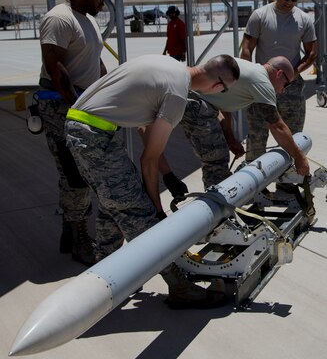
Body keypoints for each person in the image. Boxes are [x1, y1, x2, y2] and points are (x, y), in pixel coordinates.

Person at [65, 53, 240, 309]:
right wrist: (156, 210)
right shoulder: (178, 94)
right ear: (217, 86)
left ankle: (110, 276)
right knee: (136, 210)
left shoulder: (169, 66)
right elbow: (149, 159)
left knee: (112, 203)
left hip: (89, 129)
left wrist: (167, 175)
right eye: (224, 90)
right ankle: (178, 285)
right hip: (92, 136)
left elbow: (145, 131)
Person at [37, 0, 108, 266]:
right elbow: (56, 69)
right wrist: (79, 109)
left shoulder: (88, 20)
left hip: (81, 104)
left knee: (77, 172)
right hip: (62, 106)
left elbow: (94, 63)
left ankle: (70, 234)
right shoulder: (59, 18)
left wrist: (109, 91)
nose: (103, 1)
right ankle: (80, 239)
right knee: (75, 175)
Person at [181, 56, 310, 190]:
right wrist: (299, 157)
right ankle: (219, 205)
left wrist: (230, 140)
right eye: (286, 84)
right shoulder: (262, 82)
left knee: (218, 157)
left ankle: (221, 200)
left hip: (197, 103)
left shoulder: (252, 71)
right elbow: (277, 126)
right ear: (279, 74)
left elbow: (223, 104)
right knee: (216, 159)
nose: (283, 90)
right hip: (196, 105)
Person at [240, 0, 317, 167]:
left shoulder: (303, 19)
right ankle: (255, 185)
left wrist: (293, 75)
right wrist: (249, 78)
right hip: (261, 85)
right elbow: (247, 50)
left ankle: (287, 182)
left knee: (292, 135)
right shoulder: (260, 16)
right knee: (257, 134)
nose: (289, 2)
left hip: (290, 87)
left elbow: (312, 53)